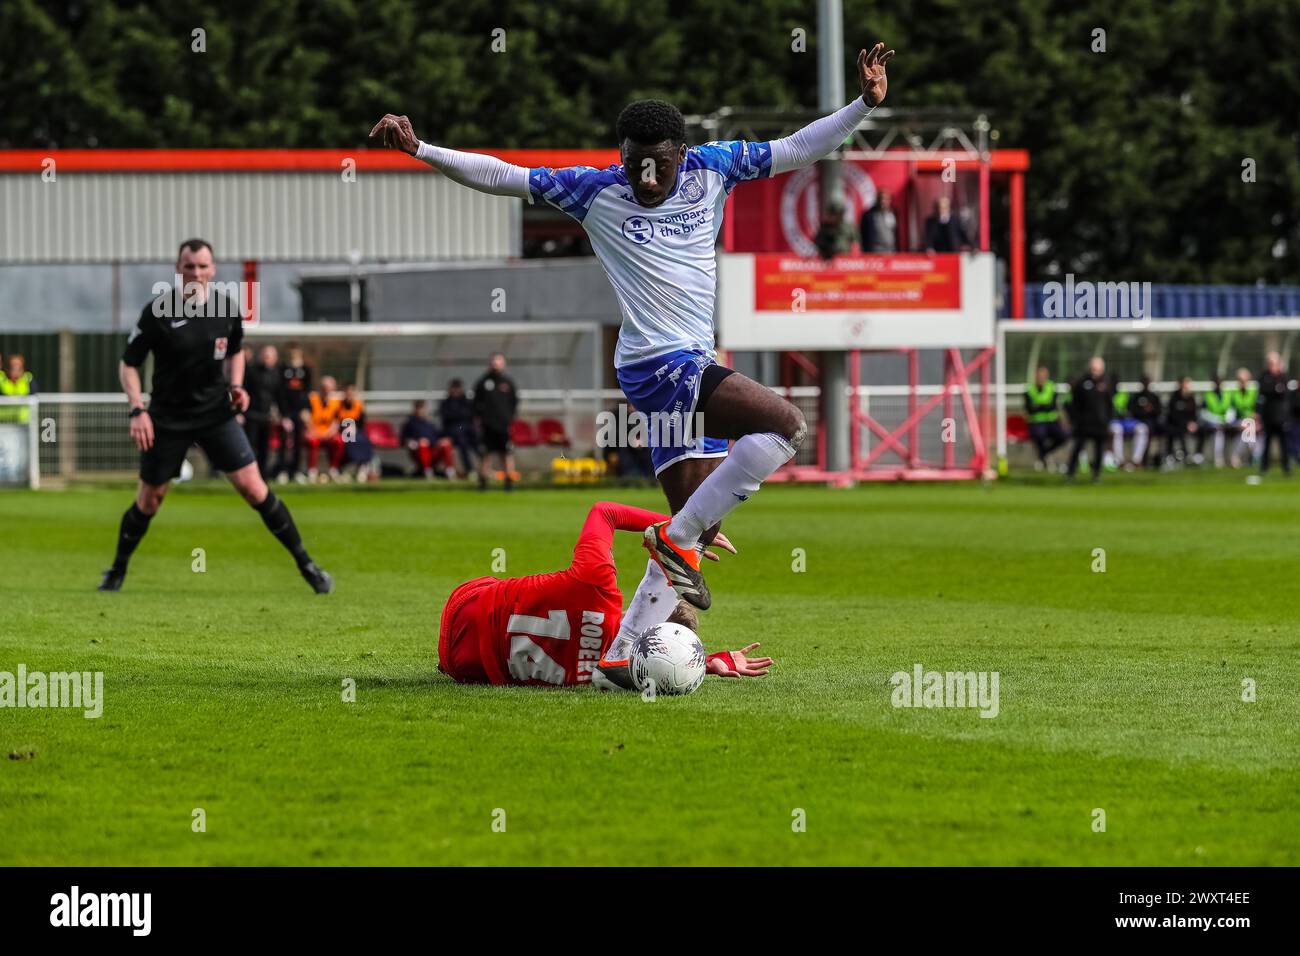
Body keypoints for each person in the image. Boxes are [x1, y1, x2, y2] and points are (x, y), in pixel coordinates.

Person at [371, 39, 895, 617]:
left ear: (681, 153)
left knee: (694, 541)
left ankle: (632, 654)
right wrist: (421, 148)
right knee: (787, 425)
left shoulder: (714, 169)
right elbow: (502, 175)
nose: (646, 179)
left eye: (660, 165)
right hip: (660, 365)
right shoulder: (595, 191)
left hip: (688, 363)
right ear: (621, 154)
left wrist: (863, 105)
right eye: (634, 163)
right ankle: (674, 539)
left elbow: (798, 147)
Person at [99, 239, 331, 594]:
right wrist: (137, 410)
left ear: (213, 269)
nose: (196, 272)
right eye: (189, 266)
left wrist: (237, 386)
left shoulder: (226, 309)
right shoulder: (158, 311)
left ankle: (308, 567)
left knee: (255, 489)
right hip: (167, 418)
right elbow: (128, 364)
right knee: (150, 500)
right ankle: (116, 571)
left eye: (202, 266)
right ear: (178, 269)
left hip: (215, 415)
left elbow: (236, 351)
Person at [437, 500, 769, 689]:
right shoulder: (618, 673)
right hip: (465, 668)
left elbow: (605, 511)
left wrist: (676, 530)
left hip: (465, 605)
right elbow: (657, 665)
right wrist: (708, 664)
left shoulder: (597, 586)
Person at [471, 353, 519, 491]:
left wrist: (509, 419)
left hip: (504, 424)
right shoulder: (483, 382)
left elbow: (514, 402)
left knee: (506, 453)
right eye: (493, 361)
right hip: (488, 425)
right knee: (486, 453)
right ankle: (483, 482)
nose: (495, 364)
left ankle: (509, 481)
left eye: (498, 361)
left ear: (503, 363)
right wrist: (480, 419)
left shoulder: (508, 383)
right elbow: (476, 403)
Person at [1065, 356, 1110, 482]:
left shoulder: (1105, 384)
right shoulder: (1082, 383)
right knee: (1078, 447)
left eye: (1098, 369)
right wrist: (1076, 419)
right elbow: (1074, 403)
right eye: (1093, 369)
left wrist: (1107, 419)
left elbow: (1109, 404)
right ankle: (1070, 473)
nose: (1095, 372)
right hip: (1084, 423)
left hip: (1100, 423)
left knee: (1099, 450)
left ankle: (1096, 474)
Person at [242, 344, 281, 477]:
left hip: (267, 417)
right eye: (265, 356)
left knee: (265, 448)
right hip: (252, 415)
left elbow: (278, 396)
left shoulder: (276, 375)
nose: (267, 359)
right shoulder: (252, 372)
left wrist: (280, 413)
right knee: (251, 447)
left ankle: (263, 476)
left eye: (269, 356)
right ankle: (249, 475)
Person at [275, 345, 312, 484]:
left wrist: (306, 409)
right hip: (286, 412)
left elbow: (307, 391)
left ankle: (296, 471)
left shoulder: (306, 370)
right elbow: (280, 392)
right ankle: (282, 471)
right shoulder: (283, 369)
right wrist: (283, 414)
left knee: (298, 442)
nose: (294, 355)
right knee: (284, 442)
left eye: (296, 353)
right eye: (292, 353)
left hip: (299, 412)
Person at [1256, 351, 1292, 476]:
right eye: (1270, 363)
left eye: (1274, 363)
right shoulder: (1264, 376)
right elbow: (1264, 391)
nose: (1272, 365)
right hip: (1268, 416)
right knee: (1267, 443)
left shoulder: (1282, 376)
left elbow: (1284, 394)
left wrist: (1275, 389)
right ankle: (1264, 467)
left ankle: (1286, 467)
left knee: (1284, 443)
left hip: (1281, 416)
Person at [1023, 366, 1067, 470]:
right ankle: (1043, 457)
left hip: (1051, 421)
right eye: (1039, 375)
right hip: (1036, 422)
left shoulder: (1051, 387)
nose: (1041, 377)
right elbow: (1029, 408)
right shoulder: (1030, 389)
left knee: (1063, 436)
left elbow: (1052, 406)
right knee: (1039, 435)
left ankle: (1043, 454)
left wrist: (1038, 406)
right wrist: (1044, 406)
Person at [304, 375, 343, 482]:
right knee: (313, 442)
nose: (326, 390)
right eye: (324, 387)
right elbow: (306, 417)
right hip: (314, 432)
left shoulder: (336, 402)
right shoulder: (312, 399)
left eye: (329, 388)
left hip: (328, 434)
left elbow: (336, 422)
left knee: (339, 441)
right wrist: (313, 431)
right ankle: (312, 471)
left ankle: (333, 469)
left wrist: (328, 433)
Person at [336, 382, 374, 481]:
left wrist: (355, 428)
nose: (350, 394)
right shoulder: (339, 405)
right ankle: (350, 466)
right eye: (348, 391)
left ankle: (362, 466)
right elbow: (336, 421)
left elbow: (362, 423)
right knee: (350, 439)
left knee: (363, 440)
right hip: (342, 432)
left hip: (357, 432)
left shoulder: (358, 406)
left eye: (352, 391)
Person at [400, 399, 447, 478]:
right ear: (415, 409)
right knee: (423, 444)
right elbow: (403, 438)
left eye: (423, 408)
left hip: (433, 449)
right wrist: (412, 442)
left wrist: (442, 440)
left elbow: (437, 436)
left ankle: (450, 471)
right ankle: (427, 471)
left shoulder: (430, 424)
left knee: (446, 443)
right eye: (419, 408)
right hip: (419, 450)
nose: (421, 410)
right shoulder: (409, 423)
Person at [439, 379, 476, 476]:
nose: (455, 391)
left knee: (466, 437)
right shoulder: (446, 403)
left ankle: (479, 469)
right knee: (460, 437)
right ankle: (467, 469)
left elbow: (469, 416)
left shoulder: (466, 402)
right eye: (454, 388)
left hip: (466, 431)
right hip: (452, 431)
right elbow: (446, 417)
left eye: (457, 388)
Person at [1197, 376, 1233, 468]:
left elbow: (1231, 410)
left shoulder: (1227, 394)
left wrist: (1226, 419)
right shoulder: (1208, 395)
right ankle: (1218, 458)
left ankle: (1235, 457)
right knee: (1218, 431)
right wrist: (1216, 420)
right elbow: (1203, 413)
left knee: (1247, 428)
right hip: (1212, 423)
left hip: (1226, 422)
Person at [1227, 367, 1259, 468]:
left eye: (1245, 381)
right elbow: (1230, 412)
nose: (1243, 383)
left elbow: (1257, 410)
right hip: (1237, 422)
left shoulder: (1253, 392)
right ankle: (1253, 456)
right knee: (1247, 428)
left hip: (1252, 422)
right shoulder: (1233, 393)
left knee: (1248, 428)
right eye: (1240, 380)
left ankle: (1237, 456)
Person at [1163, 377, 1199, 465]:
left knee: (1201, 431)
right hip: (1176, 424)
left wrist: (1193, 423)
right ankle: (1173, 455)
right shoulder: (1174, 397)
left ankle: (1197, 455)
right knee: (1175, 432)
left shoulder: (1191, 398)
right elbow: (1173, 414)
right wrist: (1186, 423)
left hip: (1188, 425)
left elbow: (1194, 413)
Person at [1130, 375, 1162, 468]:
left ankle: (1143, 459)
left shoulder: (1154, 397)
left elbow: (1158, 411)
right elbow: (1132, 410)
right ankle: (1138, 460)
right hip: (1138, 421)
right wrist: (1143, 411)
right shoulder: (1136, 397)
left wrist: (1151, 410)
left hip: (1151, 422)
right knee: (1142, 430)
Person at [0, 353, 37, 424]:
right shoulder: (1, 378)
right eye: (13, 366)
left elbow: (34, 396)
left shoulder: (28, 379)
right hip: (3, 423)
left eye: (18, 366)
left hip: (24, 423)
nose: (16, 369)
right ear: (7, 368)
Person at [859, 189, 898, 253]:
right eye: (881, 199)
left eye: (886, 199)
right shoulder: (869, 214)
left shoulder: (893, 213)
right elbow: (863, 233)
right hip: (875, 250)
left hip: (890, 249)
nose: (883, 201)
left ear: (890, 200)